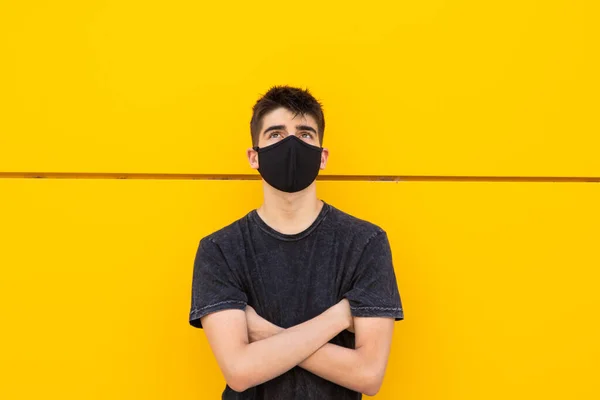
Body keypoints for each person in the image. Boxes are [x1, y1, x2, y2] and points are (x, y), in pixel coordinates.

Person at [189, 85, 404, 399]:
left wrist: (265, 333)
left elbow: (368, 375)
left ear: (322, 156)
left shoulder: (366, 243)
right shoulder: (220, 250)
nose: (291, 143)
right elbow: (239, 371)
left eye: (304, 134)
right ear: (253, 156)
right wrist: (340, 316)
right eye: (275, 134)